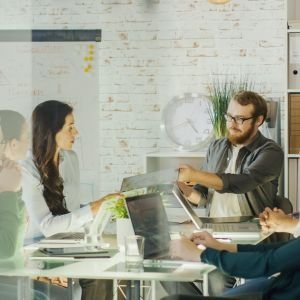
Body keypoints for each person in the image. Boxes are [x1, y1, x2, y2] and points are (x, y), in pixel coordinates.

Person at [21, 100, 121, 300]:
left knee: (108, 267)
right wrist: (93, 208)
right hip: (37, 250)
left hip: (68, 244)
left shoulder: (71, 159)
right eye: (70, 127)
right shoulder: (25, 168)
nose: (76, 133)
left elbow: (72, 211)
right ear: (52, 130)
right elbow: (47, 227)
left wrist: (104, 205)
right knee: (96, 276)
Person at [178, 91, 284, 218]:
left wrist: (196, 175)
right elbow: (203, 197)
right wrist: (183, 188)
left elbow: (243, 182)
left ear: (258, 120)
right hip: (214, 228)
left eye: (239, 119)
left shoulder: (271, 151)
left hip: (250, 229)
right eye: (229, 117)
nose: (232, 125)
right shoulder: (216, 147)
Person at [167, 208, 300, 300]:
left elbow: (267, 263)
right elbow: (274, 252)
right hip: (279, 287)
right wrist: (219, 246)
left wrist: (200, 255)